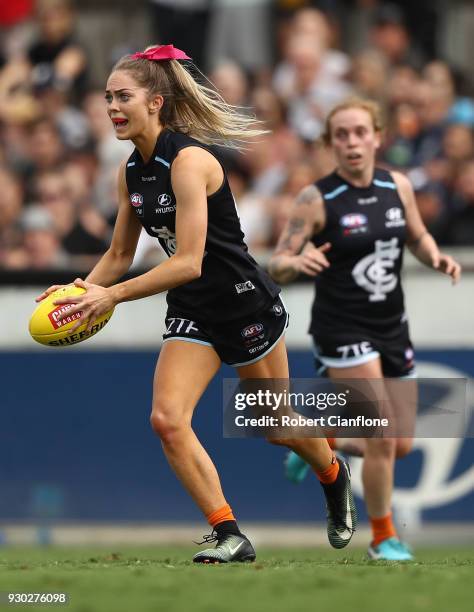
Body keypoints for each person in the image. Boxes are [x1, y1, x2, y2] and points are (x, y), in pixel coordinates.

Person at [36, 44, 357, 563]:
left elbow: (188, 261)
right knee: (166, 419)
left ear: (156, 101)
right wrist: (78, 293)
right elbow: (119, 254)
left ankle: (333, 473)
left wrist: (110, 297)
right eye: (107, 98)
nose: (113, 107)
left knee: (277, 426)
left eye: (124, 97)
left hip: (242, 303)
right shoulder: (130, 173)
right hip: (193, 309)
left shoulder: (190, 162)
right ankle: (229, 532)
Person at [269, 98, 461, 561]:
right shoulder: (316, 199)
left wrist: (434, 255)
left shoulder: (398, 185)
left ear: (377, 137)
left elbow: (415, 235)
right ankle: (382, 538)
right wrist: (296, 261)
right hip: (342, 327)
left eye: (360, 132)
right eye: (342, 134)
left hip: (392, 326)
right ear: (331, 143)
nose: (352, 142)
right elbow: (276, 263)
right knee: (380, 434)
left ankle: (317, 442)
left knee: (401, 444)